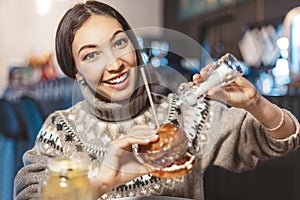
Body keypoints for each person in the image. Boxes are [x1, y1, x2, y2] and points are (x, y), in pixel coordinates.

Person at [14, 1, 299, 200]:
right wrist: (102, 181)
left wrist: (255, 103)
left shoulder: (185, 112)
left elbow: (277, 140)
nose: (114, 64)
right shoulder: (61, 131)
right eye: (91, 54)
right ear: (75, 71)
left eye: (119, 43)